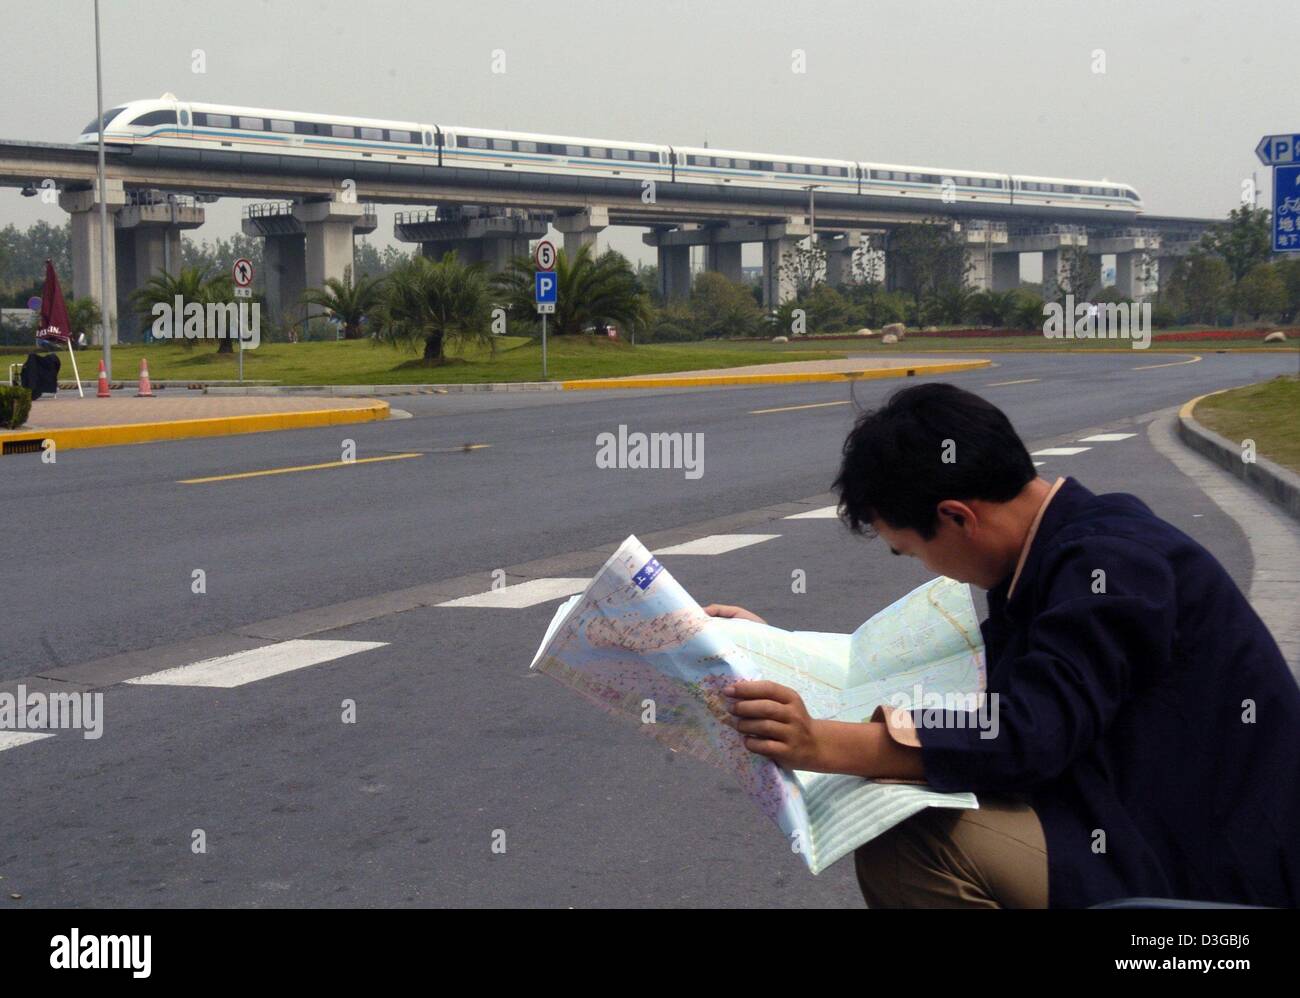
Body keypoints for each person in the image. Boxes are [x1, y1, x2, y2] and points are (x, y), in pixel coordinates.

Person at [705, 383, 1299, 908]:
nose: (926, 568)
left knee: (914, 846)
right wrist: (783, 652)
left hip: (1211, 870)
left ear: (958, 516)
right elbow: (970, 684)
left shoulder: (1110, 565)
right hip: (1137, 813)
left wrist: (823, 744)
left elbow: (1028, 733)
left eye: (911, 550)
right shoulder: (1069, 545)